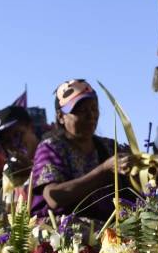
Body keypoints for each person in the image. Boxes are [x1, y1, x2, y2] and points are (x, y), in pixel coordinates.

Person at [31, 79, 134, 221]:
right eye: (80, 110)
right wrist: (104, 170)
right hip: (64, 233)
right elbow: (54, 197)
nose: (90, 116)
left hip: (107, 231)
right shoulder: (50, 148)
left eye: (93, 108)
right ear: (61, 117)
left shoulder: (108, 147)